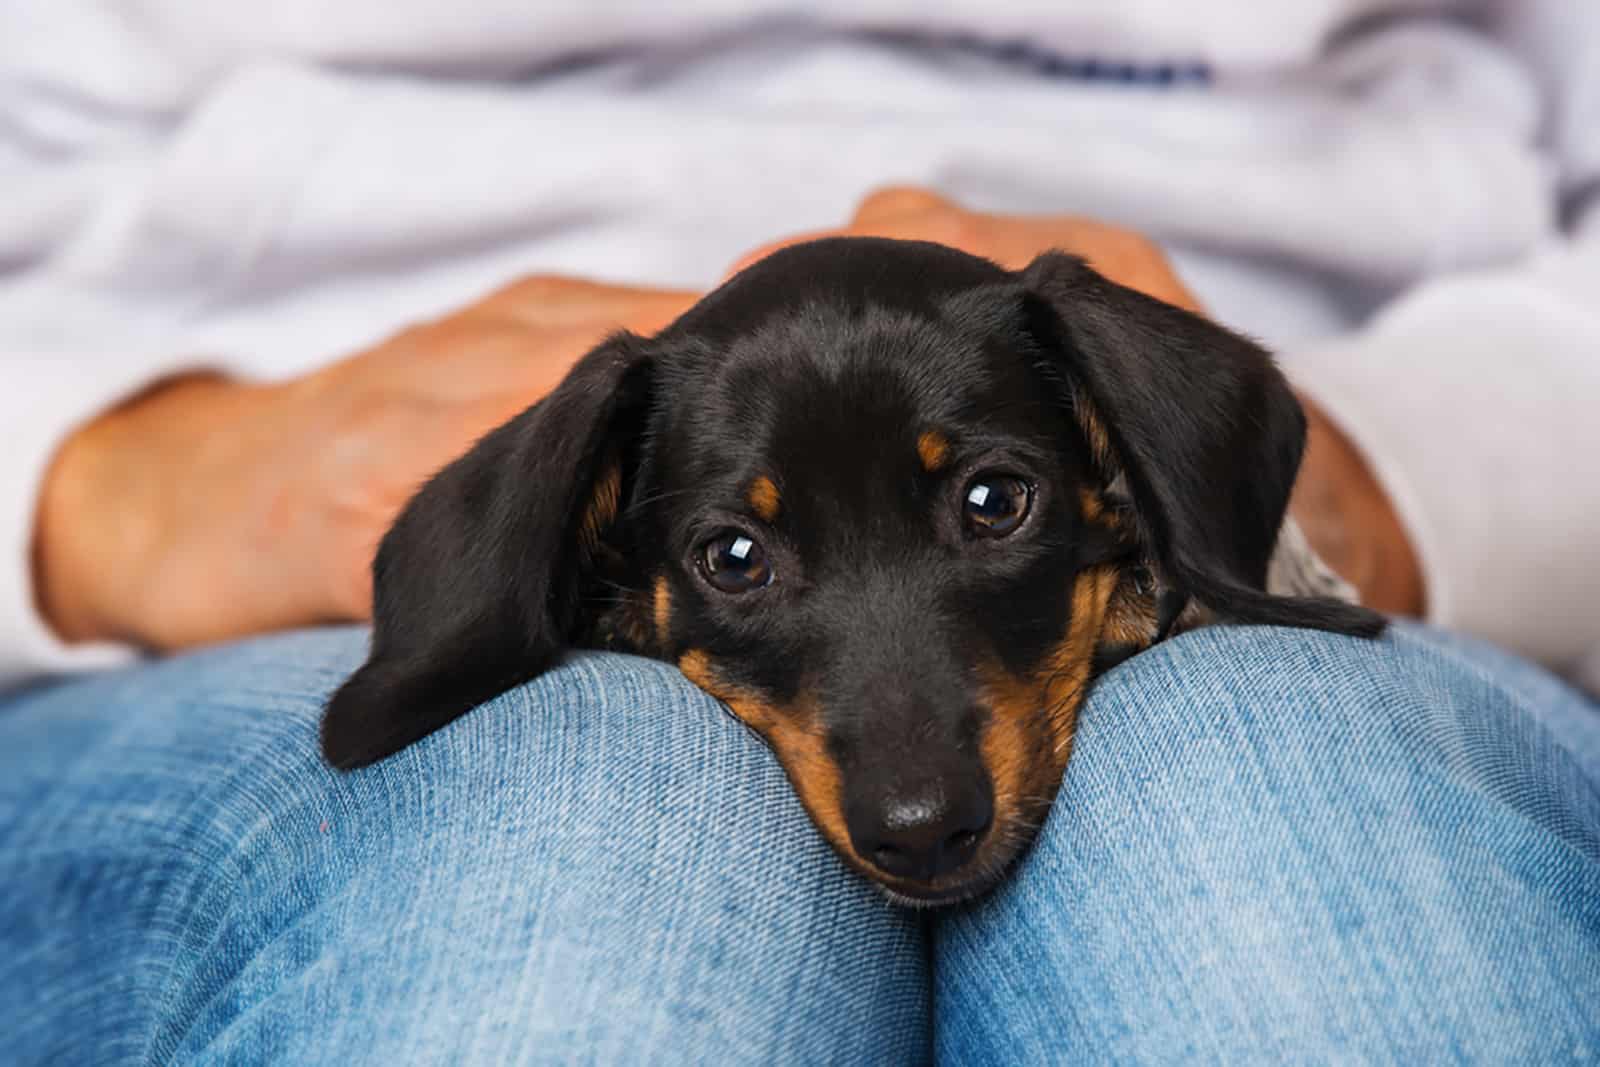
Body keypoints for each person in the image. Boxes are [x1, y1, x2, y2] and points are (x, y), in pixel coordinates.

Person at [3, 2, 1597, 1062]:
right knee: (579, 838)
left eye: (989, 506)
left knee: (1259, 805)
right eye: (740, 562)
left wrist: (1394, 482)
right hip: (210, 546)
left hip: (1312, 455)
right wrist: (96, 482)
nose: (909, 794)